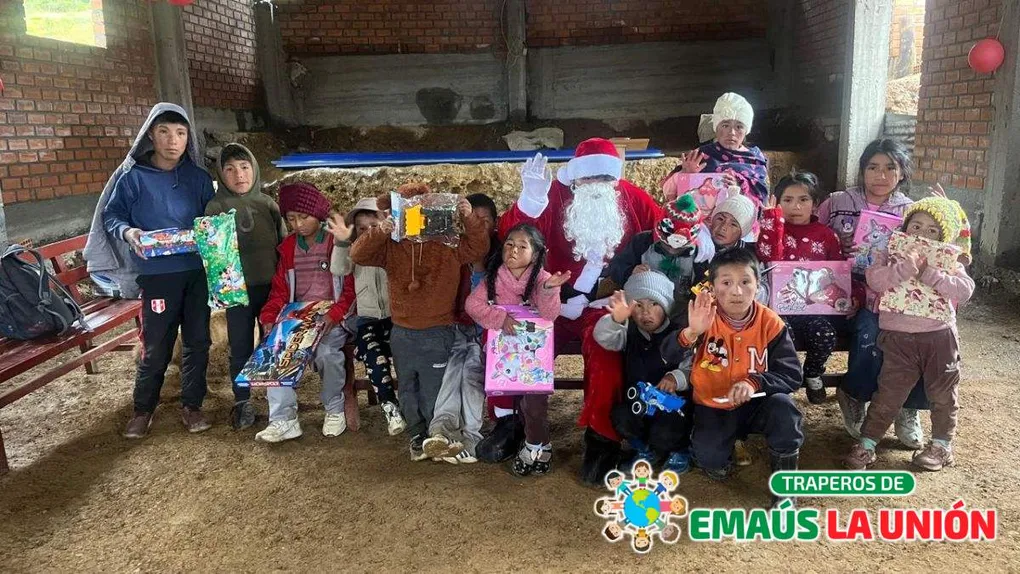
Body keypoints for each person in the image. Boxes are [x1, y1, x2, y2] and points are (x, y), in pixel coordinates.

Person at [485, 137, 663, 484]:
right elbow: (509, 235)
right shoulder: (551, 195)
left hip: (602, 304)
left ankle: (601, 439)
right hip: (546, 301)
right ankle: (509, 423)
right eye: (589, 177)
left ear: (614, 178)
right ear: (576, 177)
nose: (597, 184)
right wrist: (530, 202)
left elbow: (667, 232)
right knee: (512, 335)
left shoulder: (633, 199)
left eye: (604, 178)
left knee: (606, 347)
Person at [88, 104, 215, 438]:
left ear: (189, 139)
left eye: (180, 133)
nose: (172, 140)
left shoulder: (199, 179)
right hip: (158, 275)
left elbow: (213, 219)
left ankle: (192, 405)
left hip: (197, 273)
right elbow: (112, 215)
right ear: (151, 136)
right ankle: (143, 409)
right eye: (164, 132)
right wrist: (129, 232)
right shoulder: (133, 179)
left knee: (198, 340)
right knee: (157, 342)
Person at [351, 183, 490, 461]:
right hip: (402, 330)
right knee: (407, 386)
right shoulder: (392, 246)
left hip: (438, 330)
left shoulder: (449, 244)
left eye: (424, 209)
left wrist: (468, 217)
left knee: (434, 388)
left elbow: (479, 246)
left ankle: (434, 435)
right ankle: (417, 434)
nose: (418, 215)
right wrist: (383, 229)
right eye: (409, 209)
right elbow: (358, 254)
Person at [845, 197, 974, 471]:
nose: (922, 234)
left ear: (943, 237)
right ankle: (867, 443)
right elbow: (875, 281)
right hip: (898, 338)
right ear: (904, 228)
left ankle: (941, 446)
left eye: (932, 230)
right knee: (888, 393)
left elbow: (964, 291)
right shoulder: (888, 254)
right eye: (916, 226)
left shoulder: (949, 260)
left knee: (943, 393)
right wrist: (903, 269)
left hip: (939, 337)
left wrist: (930, 274)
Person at [816, 139, 925, 448]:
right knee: (870, 332)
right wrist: (834, 242)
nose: (881, 175)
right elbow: (811, 235)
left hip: (894, 294)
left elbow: (938, 247)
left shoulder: (912, 211)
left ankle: (909, 406)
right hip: (844, 289)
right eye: (873, 167)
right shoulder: (837, 202)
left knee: (923, 333)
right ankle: (855, 394)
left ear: (902, 173)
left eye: (890, 168)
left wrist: (950, 215)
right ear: (862, 170)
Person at [674, 247, 803, 507]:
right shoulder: (701, 317)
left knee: (784, 409)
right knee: (710, 459)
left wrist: (754, 381)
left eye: (745, 282)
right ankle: (719, 449)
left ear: (758, 286)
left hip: (757, 404)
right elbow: (666, 355)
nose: (736, 291)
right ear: (712, 288)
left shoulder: (771, 323)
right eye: (726, 283)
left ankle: (786, 490)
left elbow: (791, 374)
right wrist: (691, 332)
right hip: (713, 404)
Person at [255, 182, 356, 442]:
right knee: (276, 350)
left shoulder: (335, 241)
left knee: (327, 353)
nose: (298, 224)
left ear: (318, 214)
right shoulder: (289, 247)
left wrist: (335, 314)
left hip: (332, 317)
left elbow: (349, 287)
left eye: (304, 217)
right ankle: (283, 419)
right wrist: (269, 316)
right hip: (297, 317)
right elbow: (280, 289)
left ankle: (334, 409)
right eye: (291, 218)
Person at [466, 224, 568, 475]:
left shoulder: (543, 279)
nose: (513, 250)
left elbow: (549, 314)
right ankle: (513, 434)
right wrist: (500, 319)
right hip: (505, 354)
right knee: (506, 397)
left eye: (522, 246)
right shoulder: (493, 278)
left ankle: (538, 446)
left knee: (534, 403)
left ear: (536, 254)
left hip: (533, 356)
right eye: (509, 244)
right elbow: (472, 305)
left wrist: (549, 290)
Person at [205, 143, 288, 430]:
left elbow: (283, 245)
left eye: (244, 167)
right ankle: (242, 400)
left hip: (271, 289)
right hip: (236, 292)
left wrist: (285, 284)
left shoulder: (268, 205)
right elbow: (214, 254)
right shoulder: (215, 207)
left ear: (253, 169)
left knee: (273, 342)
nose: (239, 175)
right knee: (239, 344)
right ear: (220, 174)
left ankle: (279, 399)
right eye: (229, 169)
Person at [425, 193, 502, 464]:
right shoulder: (455, 248)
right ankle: (442, 430)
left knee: (472, 372)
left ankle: (471, 435)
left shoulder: (502, 253)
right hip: (456, 325)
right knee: (452, 369)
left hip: (486, 330)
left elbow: (491, 299)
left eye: (485, 220)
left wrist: (479, 268)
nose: (478, 225)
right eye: (472, 218)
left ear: (496, 223)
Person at [756, 171, 843, 404]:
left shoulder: (827, 236)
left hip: (814, 309)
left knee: (825, 334)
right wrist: (772, 222)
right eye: (787, 199)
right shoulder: (772, 230)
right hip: (779, 309)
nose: (795, 206)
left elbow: (838, 272)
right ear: (778, 202)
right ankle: (786, 377)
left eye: (803, 199)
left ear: (815, 204)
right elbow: (767, 255)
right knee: (782, 336)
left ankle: (813, 372)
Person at [595, 272, 692, 473]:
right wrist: (615, 320)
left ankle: (679, 450)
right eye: (638, 305)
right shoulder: (628, 332)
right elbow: (603, 338)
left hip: (669, 405)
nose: (646, 312)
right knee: (620, 416)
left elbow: (691, 366)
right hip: (637, 401)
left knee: (668, 428)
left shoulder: (678, 335)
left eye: (654, 304)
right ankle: (644, 449)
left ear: (666, 307)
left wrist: (676, 377)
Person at [327, 198, 407, 436]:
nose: (369, 232)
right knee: (373, 355)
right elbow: (338, 269)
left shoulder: (394, 249)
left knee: (405, 352)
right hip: (367, 318)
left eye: (374, 226)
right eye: (362, 228)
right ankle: (389, 406)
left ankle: (411, 404)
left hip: (396, 316)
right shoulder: (356, 252)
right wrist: (342, 242)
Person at [604, 194, 704, 326]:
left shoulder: (700, 255)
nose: (672, 248)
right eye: (666, 242)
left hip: (680, 319)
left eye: (680, 246)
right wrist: (630, 271)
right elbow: (615, 266)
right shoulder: (642, 242)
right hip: (640, 314)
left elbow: (703, 287)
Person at [669, 92, 770, 206]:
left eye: (739, 127)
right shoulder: (700, 155)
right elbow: (668, 192)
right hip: (699, 216)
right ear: (716, 128)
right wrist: (685, 175)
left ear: (746, 131)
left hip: (739, 215)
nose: (732, 132)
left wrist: (739, 188)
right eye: (725, 125)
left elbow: (762, 199)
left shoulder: (754, 159)